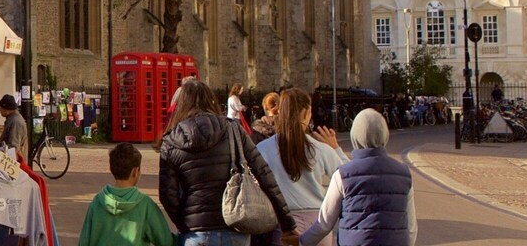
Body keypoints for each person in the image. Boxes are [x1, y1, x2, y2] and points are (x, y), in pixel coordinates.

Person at [160, 78, 297, 246]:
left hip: (196, 232)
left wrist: (185, 223)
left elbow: (168, 195)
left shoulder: (171, 140)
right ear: (211, 101)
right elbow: (264, 175)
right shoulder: (233, 129)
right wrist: (287, 223)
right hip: (236, 223)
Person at [297, 109, 417, 245]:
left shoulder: (343, 175)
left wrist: (301, 241)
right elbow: (411, 227)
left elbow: (324, 223)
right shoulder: (404, 173)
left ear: (355, 136)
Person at [258, 89, 348, 246]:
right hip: (318, 226)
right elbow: (349, 177)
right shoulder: (321, 149)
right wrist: (336, 149)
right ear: (307, 112)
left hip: (284, 224)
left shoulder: (262, 149)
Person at [79, 143, 175, 246]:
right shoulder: (146, 205)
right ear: (136, 171)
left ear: (112, 169)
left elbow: (84, 241)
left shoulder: (97, 202)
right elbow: (165, 241)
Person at [0, 94, 30, 162]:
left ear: (7, 110)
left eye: (1, 108)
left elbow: (13, 147)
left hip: (15, 164)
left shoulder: (15, 122)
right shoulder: (12, 120)